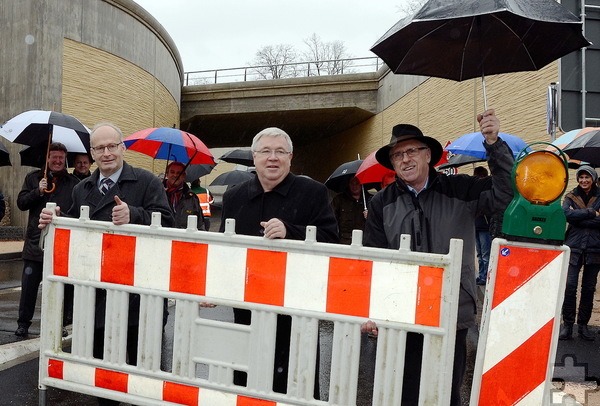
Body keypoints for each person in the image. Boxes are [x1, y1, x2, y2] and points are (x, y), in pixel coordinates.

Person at [361, 109, 514, 405]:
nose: (405, 159)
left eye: (411, 151)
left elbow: (506, 195)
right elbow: (373, 258)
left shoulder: (460, 188)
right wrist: (374, 308)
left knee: (445, 391)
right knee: (404, 389)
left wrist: (494, 144)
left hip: (451, 307)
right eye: (397, 155)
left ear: (428, 155)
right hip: (402, 310)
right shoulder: (383, 202)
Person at [39, 123, 174, 406]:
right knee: (104, 379)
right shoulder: (82, 189)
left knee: (142, 377)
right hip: (98, 300)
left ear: (123, 148)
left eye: (112, 146)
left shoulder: (147, 182)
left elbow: (168, 223)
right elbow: (76, 230)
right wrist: (58, 221)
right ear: (92, 153)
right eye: (100, 148)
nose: (107, 153)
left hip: (141, 297)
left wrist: (135, 215)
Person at [219, 127, 339, 398]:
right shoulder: (234, 197)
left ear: (290, 157)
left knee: (297, 386)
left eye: (280, 152)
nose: (272, 158)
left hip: (296, 310)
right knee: (247, 384)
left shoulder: (313, 192)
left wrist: (291, 231)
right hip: (247, 306)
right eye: (265, 152)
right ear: (254, 157)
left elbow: (332, 238)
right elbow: (224, 249)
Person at [15, 142, 80, 337]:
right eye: (54, 157)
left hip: (61, 245)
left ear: (65, 159)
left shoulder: (74, 183)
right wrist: (38, 191)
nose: (58, 161)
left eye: (61, 157)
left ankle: (60, 323)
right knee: (28, 288)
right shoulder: (33, 178)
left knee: (62, 290)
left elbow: (77, 212)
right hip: (35, 244)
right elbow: (21, 203)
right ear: (48, 159)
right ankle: (23, 323)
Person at [558, 165, 600, 341]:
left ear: (593, 178)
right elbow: (566, 214)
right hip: (573, 247)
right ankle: (568, 325)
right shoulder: (570, 196)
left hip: (595, 248)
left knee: (589, 288)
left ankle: (583, 326)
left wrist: (579, 217)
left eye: (587, 177)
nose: (584, 180)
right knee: (569, 286)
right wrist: (592, 213)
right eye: (581, 177)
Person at [164, 161, 205, 230]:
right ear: (167, 174)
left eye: (179, 173)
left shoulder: (192, 198)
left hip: (183, 239)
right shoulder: (158, 193)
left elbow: (200, 224)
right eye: (172, 172)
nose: (175, 175)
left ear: (184, 176)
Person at [331, 176, 369, 244]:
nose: (354, 186)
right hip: (344, 242)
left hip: (364, 242)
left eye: (357, 183)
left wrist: (370, 216)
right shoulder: (339, 200)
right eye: (352, 183)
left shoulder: (370, 200)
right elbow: (331, 218)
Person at [473, 166, 492, 285]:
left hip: (484, 225)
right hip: (477, 225)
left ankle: (487, 277)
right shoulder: (475, 190)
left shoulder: (488, 190)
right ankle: (481, 275)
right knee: (480, 254)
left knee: (485, 254)